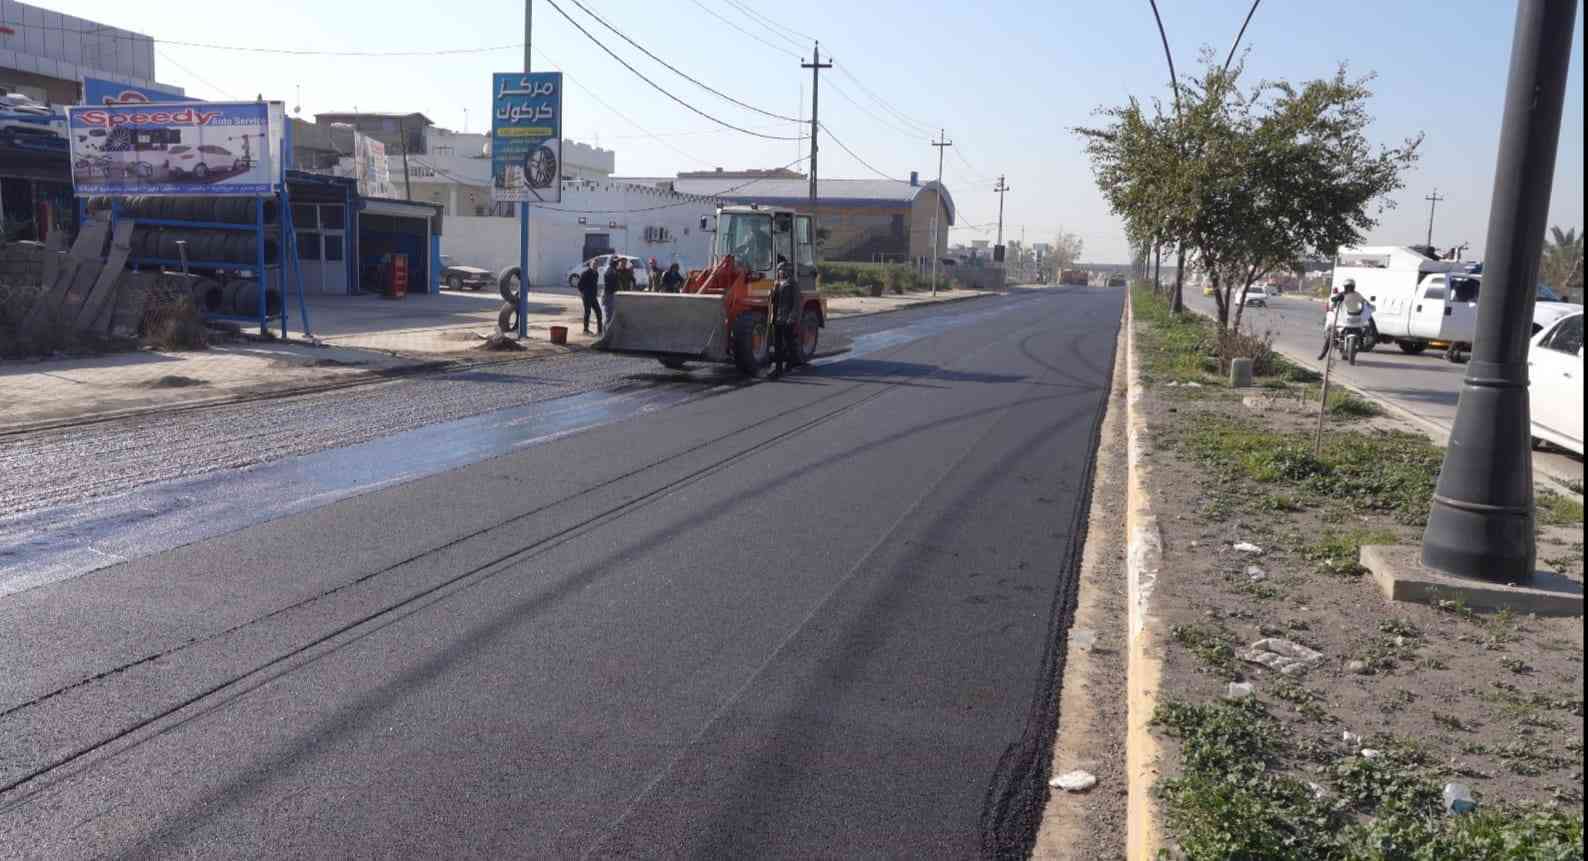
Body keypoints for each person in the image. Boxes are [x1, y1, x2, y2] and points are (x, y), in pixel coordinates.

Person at [770, 255, 801, 378]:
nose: (780, 272)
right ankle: (778, 368)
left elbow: (796, 303)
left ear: (787, 271)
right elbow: (773, 301)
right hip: (777, 319)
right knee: (777, 344)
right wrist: (773, 291)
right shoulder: (777, 284)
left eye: (782, 270)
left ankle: (791, 363)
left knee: (788, 343)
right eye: (779, 270)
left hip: (787, 319)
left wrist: (792, 318)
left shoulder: (792, 284)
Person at [578, 260, 602, 335]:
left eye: (597, 264)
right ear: (591, 265)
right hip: (587, 296)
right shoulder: (586, 273)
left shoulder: (596, 273)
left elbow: (595, 285)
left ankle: (600, 331)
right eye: (594, 264)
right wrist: (584, 293)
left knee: (599, 312)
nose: (595, 266)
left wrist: (595, 293)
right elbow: (579, 285)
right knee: (587, 312)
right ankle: (585, 330)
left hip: (593, 296)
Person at [602, 258, 621, 324]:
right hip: (608, 295)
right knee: (609, 316)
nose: (617, 264)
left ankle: (606, 329)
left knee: (610, 316)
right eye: (616, 262)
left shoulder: (613, 270)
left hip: (610, 294)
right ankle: (605, 330)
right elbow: (612, 284)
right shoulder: (610, 271)